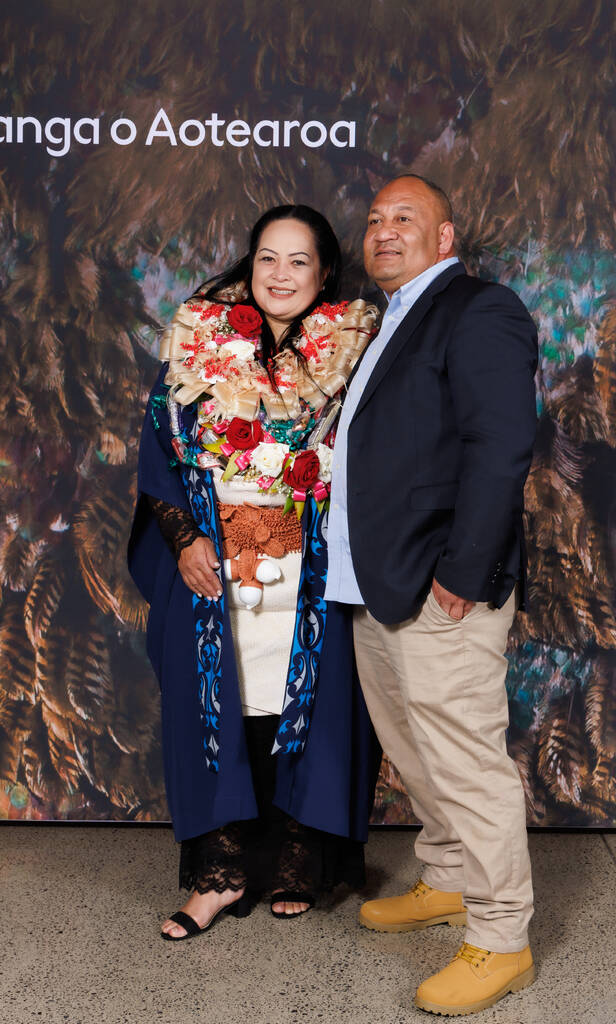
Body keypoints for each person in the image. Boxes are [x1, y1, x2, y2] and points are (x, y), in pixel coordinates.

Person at [128, 204, 380, 940]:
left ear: (324, 272)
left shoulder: (351, 353)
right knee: (209, 700)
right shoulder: (194, 346)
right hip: (215, 555)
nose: (280, 275)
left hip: (312, 564)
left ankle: (305, 851)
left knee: (321, 706)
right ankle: (220, 870)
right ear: (249, 263)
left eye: (299, 261)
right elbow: (159, 450)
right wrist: (181, 538)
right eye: (267, 258)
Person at [325, 175, 538, 1016]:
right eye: (374, 220)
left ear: (444, 237)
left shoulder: (478, 309)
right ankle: (448, 879)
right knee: (412, 750)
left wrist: (463, 570)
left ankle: (500, 938)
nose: (382, 231)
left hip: (439, 582)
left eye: (403, 219)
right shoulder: (389, 319)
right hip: (374, 582)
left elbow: (500, 445)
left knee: (464, 759)